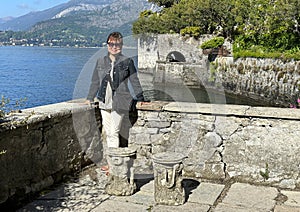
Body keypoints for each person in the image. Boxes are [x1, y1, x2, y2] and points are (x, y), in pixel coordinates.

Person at [85, 32, 145, 172]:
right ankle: (113, 164)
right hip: (104, 102)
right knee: (109, 132)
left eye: (117, 44)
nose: (114, 47)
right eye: (112, 44)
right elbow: (95, 81)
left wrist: (141, 99)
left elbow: (134, 81)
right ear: (107, 45)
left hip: (120, 102)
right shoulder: (100, 62)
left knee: (113, 132)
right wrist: (89, 97)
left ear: (121, 46)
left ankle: (114, 165)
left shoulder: (127, 62)